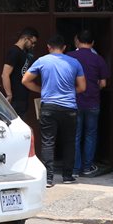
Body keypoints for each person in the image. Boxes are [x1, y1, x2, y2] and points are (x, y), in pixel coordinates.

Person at [22, 34, 85, 187]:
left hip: (49, 107)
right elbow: (83, 87)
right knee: (69, 142)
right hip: (69, 108)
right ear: (64, 48)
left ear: (48, 47)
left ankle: (48, 178)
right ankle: (68, 176)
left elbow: (25, 80)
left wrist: (40, 89)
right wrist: (69, 92)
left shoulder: (42, 61)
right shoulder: (75, 62)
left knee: (48, 142)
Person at [67, 30, 109, 177]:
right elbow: (103, 83)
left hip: (74, 102)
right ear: (92, 43)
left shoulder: (69, 57)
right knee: (90, 135)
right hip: (92, 102)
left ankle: (75, 169)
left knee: (75, 135)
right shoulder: (98, 59)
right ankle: (87, 167)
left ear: (77, 41)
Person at [2, 28, 39, 146]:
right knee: (16, 129)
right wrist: (9, 94)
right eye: (32, 42)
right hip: (15, 98)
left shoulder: (24, 53)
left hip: (22, 96)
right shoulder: (14, 51)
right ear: (26, 38)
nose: (33, 45)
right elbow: (5, 74)